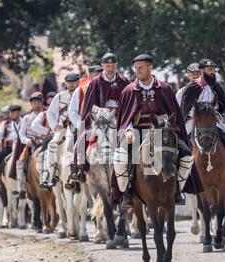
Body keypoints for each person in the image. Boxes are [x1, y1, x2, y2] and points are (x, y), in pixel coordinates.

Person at [112, 53, 204, 209]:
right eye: (136, 68)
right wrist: (127, 130)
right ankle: (126, 193)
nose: (137, 70)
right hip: (138, 133)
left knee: (187, 155)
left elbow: (173, 114)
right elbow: (125, 117)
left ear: (150, 67)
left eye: (140, 67)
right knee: (120, 158)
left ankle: (177, 190)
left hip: (162, 132)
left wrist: (166, 121)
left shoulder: (165, 89)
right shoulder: (129, 90)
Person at [180, 59, 225, 184]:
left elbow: (223, 105)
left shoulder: (217, 86)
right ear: (202, 71)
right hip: (194, 119)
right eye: (210, 69)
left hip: (215, 118)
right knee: (181, 139)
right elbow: (185, 107)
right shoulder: (192, 86)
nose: (213, 72)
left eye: (213, 69)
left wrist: (223, 114)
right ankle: (180, 173)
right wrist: (191, 117)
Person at [70, 53, 130, 185]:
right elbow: (90, 104)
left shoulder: (124, 81)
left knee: (134, 136)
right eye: (107, 65)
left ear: (116, 65)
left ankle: (136, 169)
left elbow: (129, 103)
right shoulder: (95, 82)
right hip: (99, 119)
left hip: (120, 119)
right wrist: (101, 112)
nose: (110, 68)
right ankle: (78, 169)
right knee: (82, 136)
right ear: (102, 66)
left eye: (112, 65)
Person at [43, 72, 80, 189]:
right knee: (53, 145)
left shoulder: (83, 93)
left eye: (74, 82)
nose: (71, 85)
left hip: (80, 126)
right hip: (64, 128)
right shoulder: (60, 96)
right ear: (66, 84)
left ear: (78, 82)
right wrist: (55, 125)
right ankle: (54, 174)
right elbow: (50, 112)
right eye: (69, 83)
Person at [14, 92, 44, 197]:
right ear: (31, 104)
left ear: (41, 103)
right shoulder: (26, 118)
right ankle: (21, 187)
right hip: (32, 144)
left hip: (45, 142)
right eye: (34, 102)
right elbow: (21, 135)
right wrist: (27, 141)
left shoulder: (46, 114)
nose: (36, 104)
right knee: (20, 162)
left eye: (38, 102)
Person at [0, 104, 22, 188]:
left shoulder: (23, 120)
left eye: (14, 112)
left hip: (20, 146)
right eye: (10, 112)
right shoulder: (5, 124)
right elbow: (0, 136)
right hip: (8, 147)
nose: (11, 114)